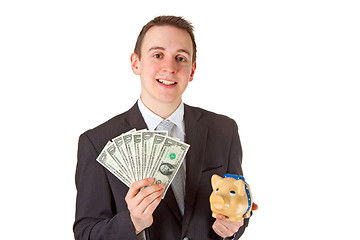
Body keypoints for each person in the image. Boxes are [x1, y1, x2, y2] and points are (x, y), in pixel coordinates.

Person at [74, 15, 255, 240]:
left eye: (181, 58)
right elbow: (86, 234)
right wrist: (133, 222)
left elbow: (238, 202)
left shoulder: (224, 131)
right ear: (135, 63)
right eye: (157, 55)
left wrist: (233, 225)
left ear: (192, 70)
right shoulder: (97, 143)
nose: (169, 67)